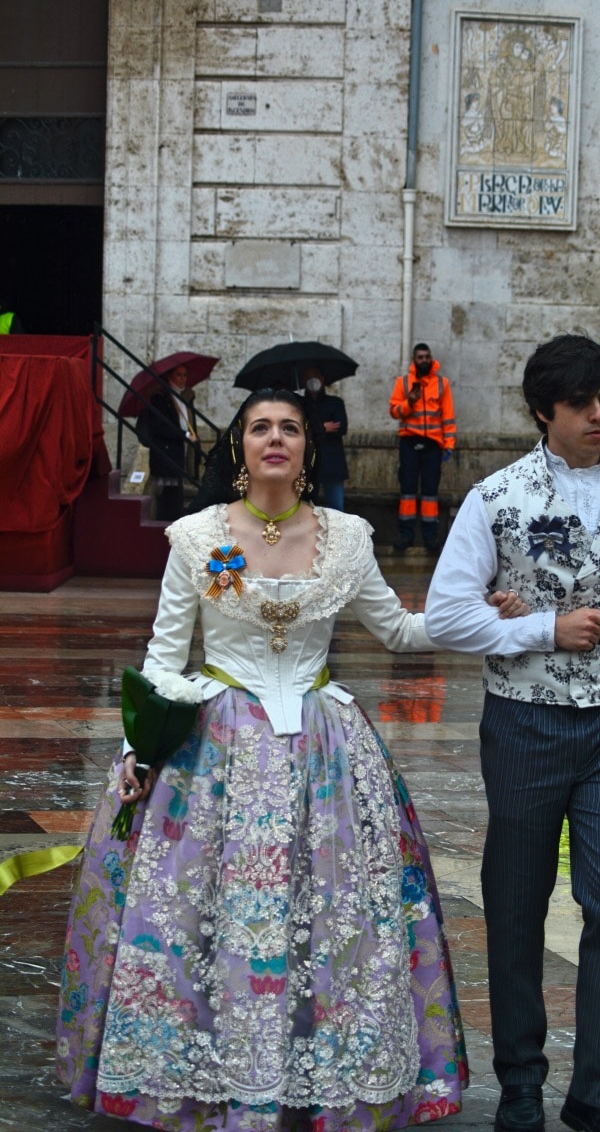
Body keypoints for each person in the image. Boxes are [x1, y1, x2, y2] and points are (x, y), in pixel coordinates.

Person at [56, 387, 528, 1132]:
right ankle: (210, 1078)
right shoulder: (197, 538)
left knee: (333, 914)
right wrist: (137, 750)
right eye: (259, 428)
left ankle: (320, 1071)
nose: (274, 438)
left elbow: (399, 631)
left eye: (289, 428)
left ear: (308, 447)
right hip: (217, 745)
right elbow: (165, 656)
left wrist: (481, 614)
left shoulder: (346, 537)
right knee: (201, 913)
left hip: (324, 746)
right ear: (240, 448)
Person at [425, 334, 600, 1132]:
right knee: (515, 906)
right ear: (544, 411)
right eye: (580, 404)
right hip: (524, 723)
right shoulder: (496, 498)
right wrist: (542, 628)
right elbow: (447, 614)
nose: (599, 416)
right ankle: (521, 1086)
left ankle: (596, 1091)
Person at [389, 343, 456, 554]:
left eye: (427, 356)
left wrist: (449, 444)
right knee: (407, 490)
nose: (424, 360)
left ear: (431, 358)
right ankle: (405, 535)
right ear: (414, 360)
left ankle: (430, 538)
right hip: (409, 442)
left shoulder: (442, 384)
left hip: (433, 445)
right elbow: (394, 412)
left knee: (430, 492)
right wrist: (409, 402)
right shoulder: (403, 382)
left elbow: (448, 416)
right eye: (420, 357)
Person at [136, 364, 199, 520]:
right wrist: (185, 435)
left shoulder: (185, 397)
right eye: (179, 375)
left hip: (181, 452)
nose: (183, 379)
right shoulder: (161, 398)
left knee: (176, 494)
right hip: (167, 453)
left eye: (185, 375)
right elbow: (161, 427)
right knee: (169, 496)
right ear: (169, 376)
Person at [302, 366, 349, 511]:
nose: (313, 380)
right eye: (309, 376)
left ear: (323, 379)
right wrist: (322, 427)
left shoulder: (335, 403)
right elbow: (297, 430)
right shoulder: (300, 405)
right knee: (306, 507)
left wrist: (311, 428)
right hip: (307, 462)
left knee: (337, 508)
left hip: (332, 462)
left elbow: (341, 428)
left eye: (316, 375)